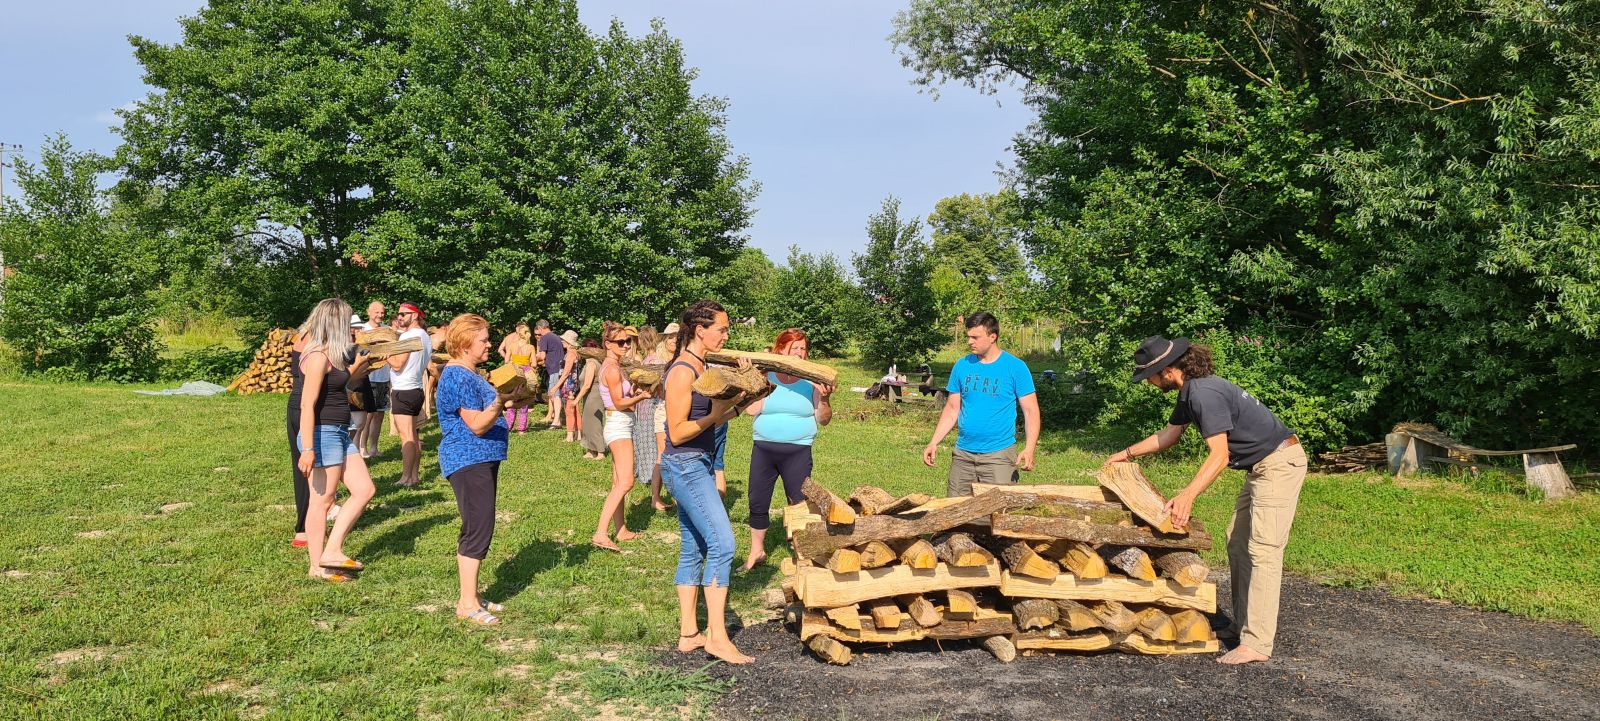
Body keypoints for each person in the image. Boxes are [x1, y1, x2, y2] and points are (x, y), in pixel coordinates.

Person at [1102, 336, 1306, 665]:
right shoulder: (1190, 391)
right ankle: (1242, 625)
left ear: (1168, 371)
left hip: (1280, 464)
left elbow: (1220, 455)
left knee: (1264, 551)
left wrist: (1186, 496)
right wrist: (1124, 454)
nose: (1150, 383)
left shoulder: (1203, 393)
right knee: (1237, 542)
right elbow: (1169, 435)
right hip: (1261, 467)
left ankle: (1256, 643)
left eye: (1150, 376)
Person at [661, 300, 758, 665]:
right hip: (684, 464)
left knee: (695, 547)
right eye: (722, 328)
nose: (727, 334)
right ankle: (717, 636)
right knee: (723, 543)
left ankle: (689, 633)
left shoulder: (704, 366)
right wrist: (715, 415)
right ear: (700, 330)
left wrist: (745, 391)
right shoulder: (682, 371)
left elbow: (718, 415)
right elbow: (678, 431)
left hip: (696, 462)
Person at [435, 313, 516, 625]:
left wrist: (508, 398)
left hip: (480, 458)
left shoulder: (472, 374)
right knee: (478, 526)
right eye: (483, 339)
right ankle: (467, 603)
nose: (489, 344)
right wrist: (497, 404)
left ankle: (472, 595)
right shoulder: (457, 376)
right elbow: (477, 425)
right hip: (468, 458)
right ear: (465, 343)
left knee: (479, 523)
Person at [294, 298, 377, 582]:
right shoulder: (316, 356)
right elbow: (307, 405)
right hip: (322, 433)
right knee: (323, 500)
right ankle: (317, 567)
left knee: (364, 489)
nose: (353, 328)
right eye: (347, 321)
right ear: (335, 322)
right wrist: (307, 448)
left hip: (340, 431)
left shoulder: (334, 353)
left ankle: (331, 550)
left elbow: (341, 385)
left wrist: (363, 367)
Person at [738, 328, 833, 571]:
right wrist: (753, 381)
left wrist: (824, 399)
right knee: (757, 500)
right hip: (764, 449)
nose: (800, 353)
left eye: (803, 348)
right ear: (781, 350)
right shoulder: (768, 376)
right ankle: (756, 551)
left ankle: (802, 553)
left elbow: (823, 419)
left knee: (799, 503)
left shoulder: (812, 381)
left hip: (798, 450)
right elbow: (751, 410)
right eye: (795, 348)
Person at [922, 311, 1041, 496]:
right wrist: (934, 442)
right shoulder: (962, 365)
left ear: (992, 336)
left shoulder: (1015, 367)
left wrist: (1030, 448)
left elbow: (1031, 411)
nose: (970, 341)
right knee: (956, 512)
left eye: (975, 337)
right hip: (963, 454)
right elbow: (952, 409)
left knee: (997, 515)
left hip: (999, 455)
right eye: (968, 336)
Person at [592, 323, 652, 552]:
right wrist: (642, 396)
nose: (626, 345)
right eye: (620, 342)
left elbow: (619, 397)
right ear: (607, 344)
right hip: (619, 425)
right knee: (626, 481)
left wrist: (634, 392)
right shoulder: (612, 369)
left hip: (619, 423)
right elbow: (618, 403)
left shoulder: (613, 365)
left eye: (627, 341)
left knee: (618, 482)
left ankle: (620, 529)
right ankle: (600, 533)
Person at [387, 302, 434, 487]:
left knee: (406, 437)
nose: (399, 317)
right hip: (415, 390)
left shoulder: (409, 335)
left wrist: (385, 355)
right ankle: (414, 476)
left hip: (403, 390)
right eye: (398, 314)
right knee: (413, 435)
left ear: (414, 316)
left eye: (403, 314)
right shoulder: (424, 335)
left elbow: (398, 364)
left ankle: (406, 477)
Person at [631, 325, 672, 511]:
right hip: (657, 406)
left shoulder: (654, 359)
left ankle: (658, 491)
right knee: (660, 452)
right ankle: (655, 494)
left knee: (660, 450)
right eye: (670, 337)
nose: (674, 340)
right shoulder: (657, 360)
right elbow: (657, 389)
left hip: (655, 407)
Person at [358, 301, 390, 457]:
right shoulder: (363, 331)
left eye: (382, 312)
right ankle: (362, 447)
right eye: (377, 312)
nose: (380, 315)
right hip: (369, 377)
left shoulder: (387, 330)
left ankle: (374, 448)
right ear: (369, 312)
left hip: (384, 377)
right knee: (368, 415)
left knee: (379, 414)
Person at [499, 323, 535, 434]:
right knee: (523, 400)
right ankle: (522, 429)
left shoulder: (512, 345)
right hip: (526, 374)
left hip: (514, 373)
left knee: (512, 398)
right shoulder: (530, 347)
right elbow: (533, 363)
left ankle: (508, 427)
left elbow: (506, 360)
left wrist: (513, 362)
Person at [535, 320, 571, 428]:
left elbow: (542, 356)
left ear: (541, 328)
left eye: (538, 331)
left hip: (554, 369)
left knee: (554, 394)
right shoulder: (555, 336)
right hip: (559, 368)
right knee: (555, 394)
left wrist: (531, 359)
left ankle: (557, 420)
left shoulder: (544, 338)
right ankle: (557, 418)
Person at [576, 339, 606, 460]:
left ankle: (600, 452)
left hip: (594, 396)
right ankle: (590, 449)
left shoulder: (591, 363)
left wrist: (576, 399)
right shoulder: (591, 362)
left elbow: (587, 384)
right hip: (589, 397)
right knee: (587, 423)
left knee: (594, 424)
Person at [558, 330, 581, 441]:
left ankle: (570, 435)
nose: (562, 341)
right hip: (574, 384)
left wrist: (555, 386)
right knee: (575, 409)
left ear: (569, 342)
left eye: (564, 339)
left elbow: (566, 372)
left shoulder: (571, 354)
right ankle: (579, 433)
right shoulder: (576, 353)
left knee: (569, 410)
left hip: (569, 385)